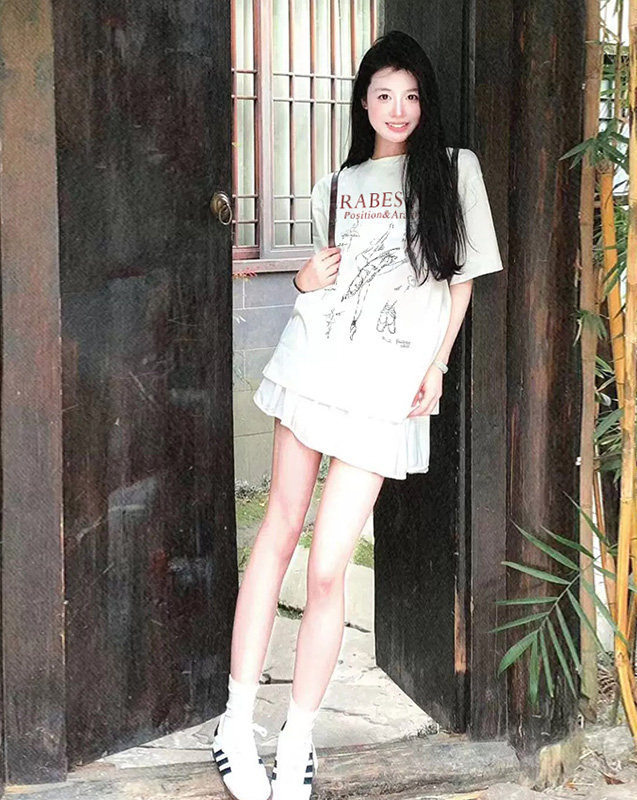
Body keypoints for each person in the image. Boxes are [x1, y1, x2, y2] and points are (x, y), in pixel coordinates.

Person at [212, 29, 503, 800]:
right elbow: (325, 283)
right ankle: (235, 722)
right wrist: (302, 282)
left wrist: (437, 366)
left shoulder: (455, 173)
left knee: (329, 564)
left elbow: (462, 282)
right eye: (383, 95)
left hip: (384, 393)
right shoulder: (335, 187)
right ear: (363, 103)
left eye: (410, 96)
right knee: (278, 531)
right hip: (315, 368)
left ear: (424, 102)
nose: (398, 109)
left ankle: (297, 734)